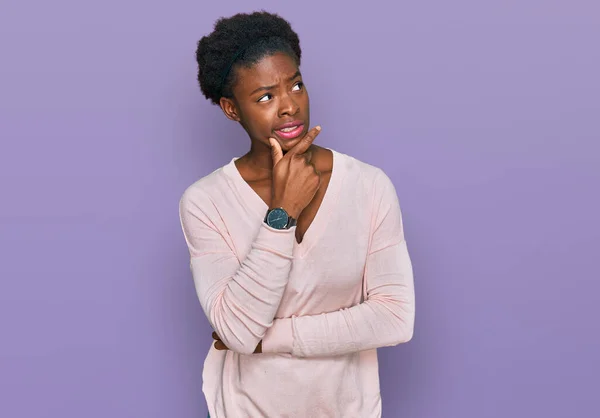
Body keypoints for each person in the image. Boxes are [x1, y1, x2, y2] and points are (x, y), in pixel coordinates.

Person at [178, 10, 415, 418]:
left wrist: (266, 340)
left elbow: (394, 318)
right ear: (231, 109)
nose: (289, 106)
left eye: (297, 85)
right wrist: (282, 213)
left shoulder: (368, 185)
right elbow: (236, 330)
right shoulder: (205, 202)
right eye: (265, 97)